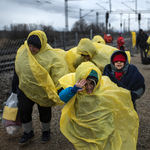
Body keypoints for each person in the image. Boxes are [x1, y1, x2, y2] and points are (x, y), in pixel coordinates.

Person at [58, 61, 139, 150]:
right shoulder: (77, 92)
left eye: (91, 83)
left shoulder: (101, 92)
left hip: (99, 126)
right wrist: (72, 90)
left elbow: (113, 105)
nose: (89, 87)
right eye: (85, 84)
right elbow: (62, 97)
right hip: (82, 128)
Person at [12, 30, 69, 145]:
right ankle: (28, 132)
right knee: (23, 110)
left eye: (35, 47)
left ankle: (46, 131)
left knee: (44, 111)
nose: (32, 49)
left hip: (43, 91)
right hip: (24, 88)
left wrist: (60, 89)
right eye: (30, 45)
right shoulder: (23, 52)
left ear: (41, 45)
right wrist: (14, 86)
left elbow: (58, 72)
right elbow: (18, 68)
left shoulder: (51, 56)